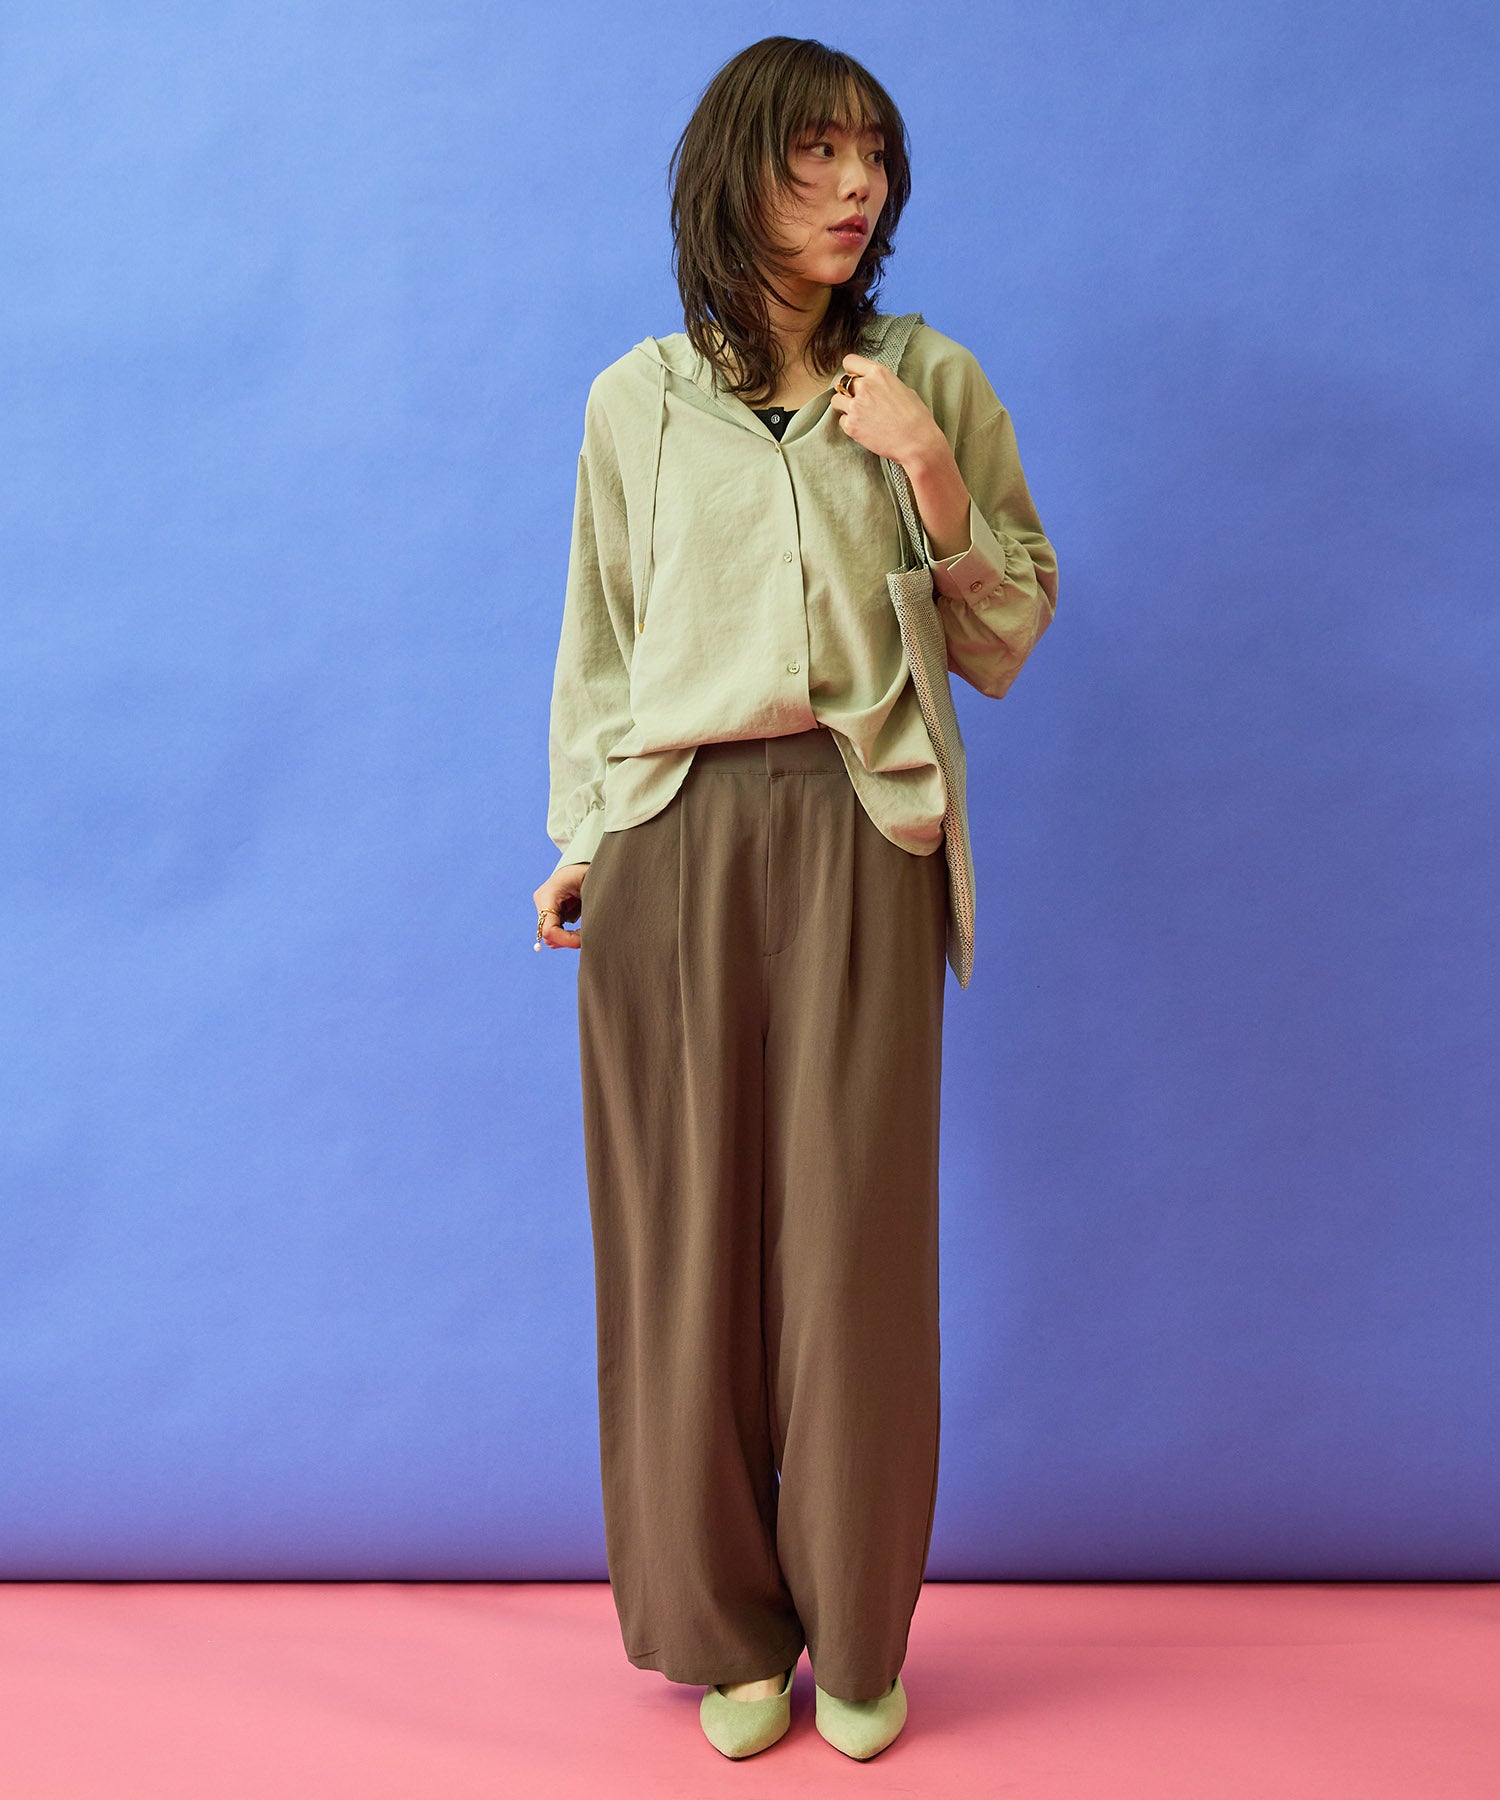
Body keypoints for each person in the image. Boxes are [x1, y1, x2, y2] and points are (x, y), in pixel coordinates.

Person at [533, 36, 1058, 1762]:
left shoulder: (929, 379)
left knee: (853, 1243)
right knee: (683, 1242)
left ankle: (857, 1629)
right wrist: (582, 833)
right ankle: (725, 1632)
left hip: (861, 824)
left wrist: (926, 474)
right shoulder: (633, 402)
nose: (855, 189)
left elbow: (1008, 632)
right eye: (815, 155)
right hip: (671, 834)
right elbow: (604, 638)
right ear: (733, 174)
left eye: (874, 158)